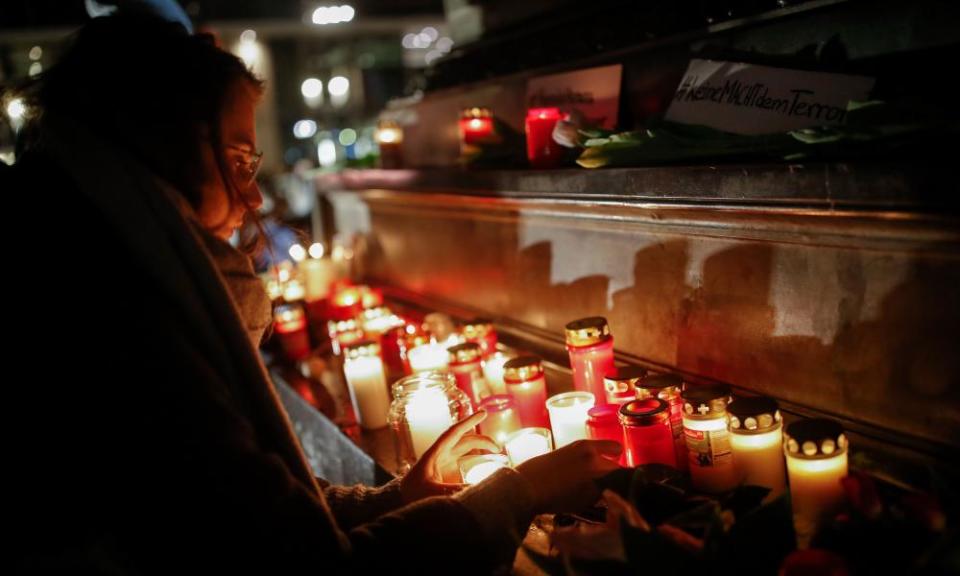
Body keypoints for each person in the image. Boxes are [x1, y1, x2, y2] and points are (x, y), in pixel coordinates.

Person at [7, 15, 621, 575]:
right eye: (240, 162)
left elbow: (250, 513)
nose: (252, 201)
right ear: (166, 144)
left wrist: (398, 498)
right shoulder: (119, 325)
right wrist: (519, 495)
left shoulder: (99, 263)